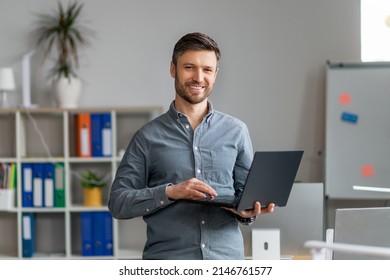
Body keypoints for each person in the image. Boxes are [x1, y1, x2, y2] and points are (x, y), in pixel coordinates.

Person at [108, 32, 275, 260]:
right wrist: (170, 192)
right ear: (173, 69)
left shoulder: (236, 131)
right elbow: (118, 202)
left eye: (207, 69)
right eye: (189, 67)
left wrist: (247, 212)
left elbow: (245, 196)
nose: (198, 77)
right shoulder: (147, 136)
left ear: (215, 74)